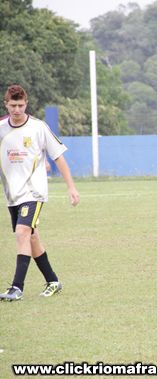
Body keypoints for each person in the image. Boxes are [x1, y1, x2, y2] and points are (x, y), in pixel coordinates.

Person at [0, 85, 80, 302]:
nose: (17, 109)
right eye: (13, 105)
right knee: (31, 237)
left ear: (26, 104)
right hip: (12, 195)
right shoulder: (1, 129)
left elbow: (58, 156)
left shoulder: (38, 127)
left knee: (22, 232)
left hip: (34, 192)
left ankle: (16, 287)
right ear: (6, 104)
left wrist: (71, 187)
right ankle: (53, 281)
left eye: (21, 105)